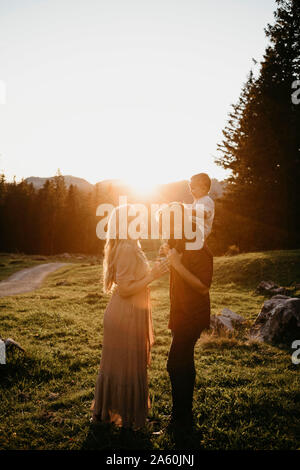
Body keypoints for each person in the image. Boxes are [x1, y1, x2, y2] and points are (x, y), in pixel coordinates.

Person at [91, 204, 169, 430]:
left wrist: (153, 269)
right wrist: (153, 275)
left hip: (130, 313)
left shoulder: (131, 245)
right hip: (124, 314)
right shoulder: (126, 247)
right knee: (124, 368)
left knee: (126, 367)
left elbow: (133, 278)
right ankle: (125, 421)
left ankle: (123, 418)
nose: (142, 224)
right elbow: (125, 289)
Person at [159, 197, 213, 430]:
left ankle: (180, 418)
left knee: (175, 363)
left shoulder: (198, 246)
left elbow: (203, 286)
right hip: (180, 311)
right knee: (182, 361)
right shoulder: (179, 244)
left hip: (193, 313)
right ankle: (183, 416)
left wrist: (177, 265)